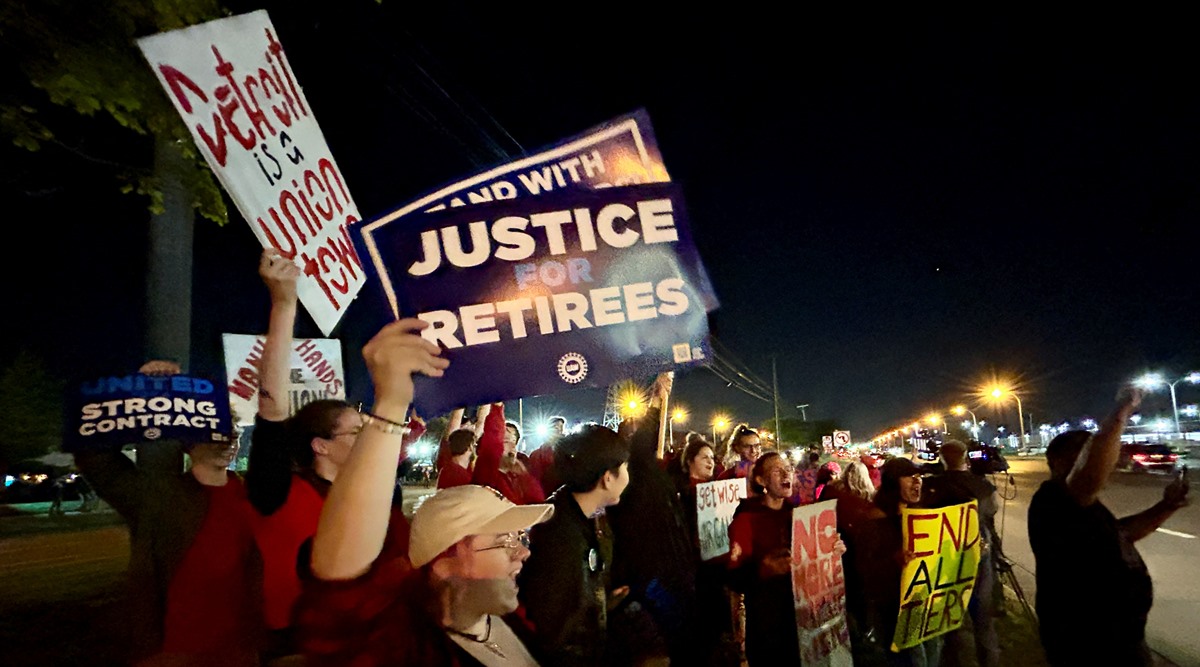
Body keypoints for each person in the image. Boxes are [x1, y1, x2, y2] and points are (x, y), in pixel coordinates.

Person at [299, 318, 555, 666]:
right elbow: (341, 599)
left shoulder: (509, 619)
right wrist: (390, 403)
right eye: (505, 540)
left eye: (519, 537)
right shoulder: (406, 649)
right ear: (444, 564)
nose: (522, 554)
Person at [246, 249, 422, 659]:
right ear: (320, 446)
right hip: (298, 645)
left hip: (376, 638)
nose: (368, 439)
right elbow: (272, 410)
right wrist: (284, 304)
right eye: (356, 432)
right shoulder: (277, 492)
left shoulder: (382, 495)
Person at [75, 361, 263, 666]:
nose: (230, 442)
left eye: (233, 432)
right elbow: (97, 460)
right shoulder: (157, 495)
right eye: (217, 434)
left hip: (239, 647)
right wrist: (141, 394)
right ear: (189, 443)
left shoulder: (249, 493)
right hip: (173, 650)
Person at [1029, 389, 1189, 666]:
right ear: (1057, 461)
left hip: (1123, 638)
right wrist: (1121, 413)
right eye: (1081, 452)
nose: (1100, 460)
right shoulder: (1053, 500)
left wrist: (1166, 506)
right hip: (1088, 644)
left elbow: (1120, 534)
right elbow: (1089, 474)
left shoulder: (1084, 508)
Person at [519, 423, 631, 666]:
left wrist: (601, 602)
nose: (628, 474)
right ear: (608, 478)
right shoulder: (561, 536)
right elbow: (558, 630)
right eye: (625, 467)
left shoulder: (579, 515)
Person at [852, 457, 942, 667]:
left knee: (933, 649)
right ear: (893, 482)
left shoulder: (921, 514)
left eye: (918, 476)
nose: (917, 481)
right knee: (912, 659)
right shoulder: (875, 520)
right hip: (894, 607)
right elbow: (864, 568)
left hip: (925, 601)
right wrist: (894, 560)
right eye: (910, 477)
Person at [922, 440, 1000, 667]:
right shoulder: (982, 485)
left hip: (945, 555)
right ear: (965, 457)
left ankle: (954, 660)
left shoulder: (932, 486)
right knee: (983, 618)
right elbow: (991, 510)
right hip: (978, 552)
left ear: (942, 459)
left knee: (948, 618)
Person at [726, 451, 798, 664]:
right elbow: (734, 577)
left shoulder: (799, 515)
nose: (786, 474)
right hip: (766, 625)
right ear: (761, 480)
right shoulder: (748, 519)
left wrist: (832, 550)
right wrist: (763, 569)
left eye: (788, 469)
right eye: (777, 470)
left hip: (798, 620)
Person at [527, 415, 566, 491]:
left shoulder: (569, 452)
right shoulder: (537, 455)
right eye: (555, 427)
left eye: (561, 427)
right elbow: (535, 480)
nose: (559, 430)